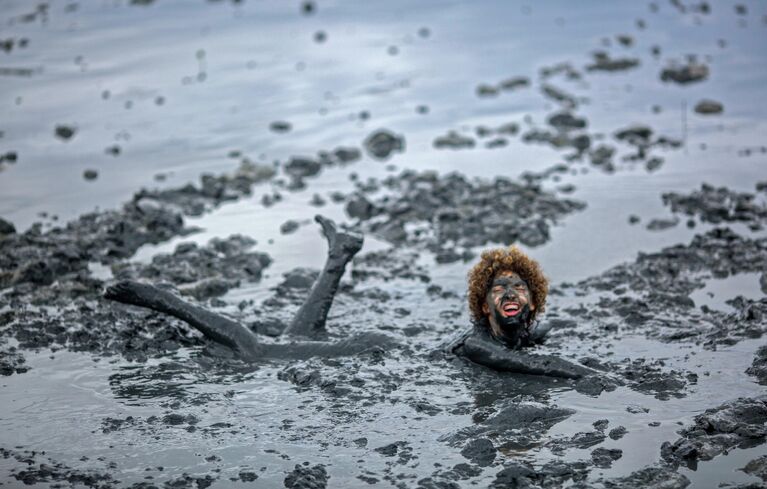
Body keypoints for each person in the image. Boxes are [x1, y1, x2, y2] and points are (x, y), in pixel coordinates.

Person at [104, 215, 395, 361]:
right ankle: (338, 256)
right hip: (375, 346)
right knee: (283, 342)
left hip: (372, 347)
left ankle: (164, 300)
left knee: (262, 349)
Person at [448, 246, 594, 379]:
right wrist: (595, 376)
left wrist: (590, 325)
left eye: (519, 288)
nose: (510, 295)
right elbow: (538, 364)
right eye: (499, 289)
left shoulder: (526, 332)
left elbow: (553, 323)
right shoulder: (476, 345)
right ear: (485, 307)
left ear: (532, 303)